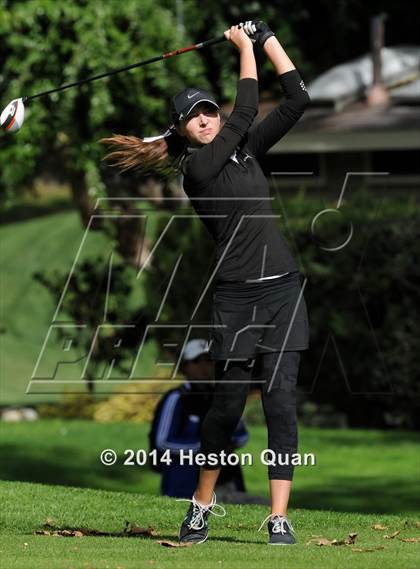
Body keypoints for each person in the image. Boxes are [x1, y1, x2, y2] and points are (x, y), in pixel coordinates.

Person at [100, 20, 310, 546]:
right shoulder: (197, 169)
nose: (207, 121)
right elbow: (245, 109)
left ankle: (278, 518)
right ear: (182, 131)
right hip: (237, 297)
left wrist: (266, 40)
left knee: (281, 401)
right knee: (227, 405)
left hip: (284, 289)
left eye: (208, 111)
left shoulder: (242, 150)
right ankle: (200, 505)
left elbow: (297, 98)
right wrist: (243, 48)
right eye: (196, 118)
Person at [148, 338, 250, 500]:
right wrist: (203, 448)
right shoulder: (176, 398)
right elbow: (162, 442)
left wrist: (229, 443)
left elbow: (242, 434)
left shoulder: (222, 397)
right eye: (196, 361)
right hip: (184, 484)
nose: (204, 367)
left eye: (208, 361)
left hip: (227, 481)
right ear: (185, 367)